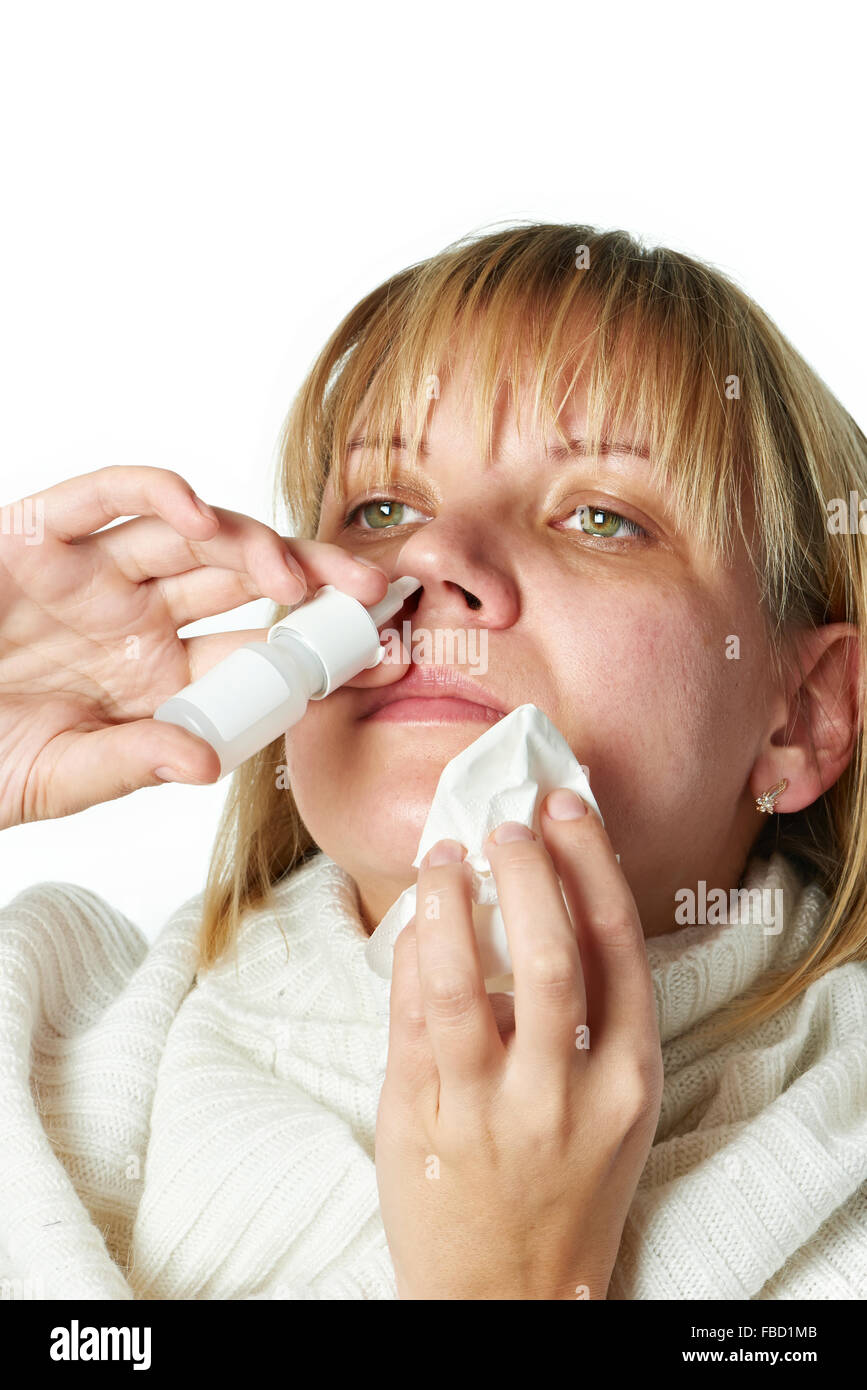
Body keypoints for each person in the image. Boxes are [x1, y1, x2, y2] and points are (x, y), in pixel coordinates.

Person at [1, 222, 865, 1300]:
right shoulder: (31, 1022)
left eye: (600, 516)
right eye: (381, 508)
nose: (429, 556)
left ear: (804, 716)